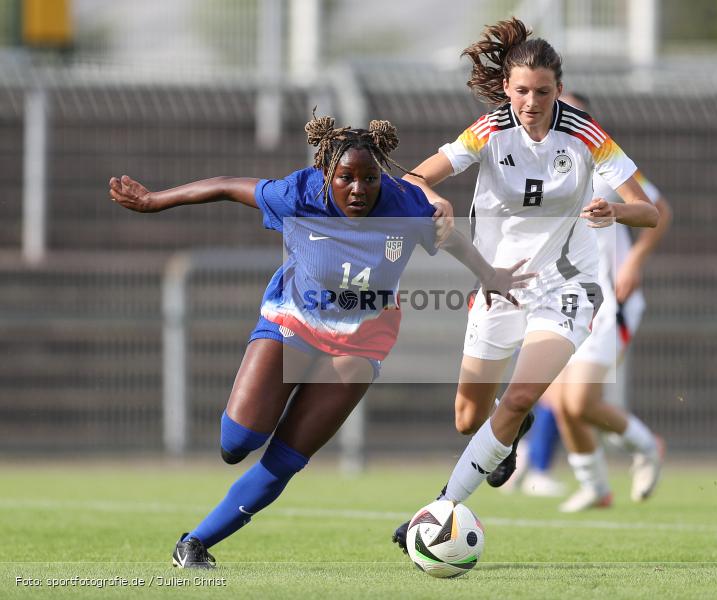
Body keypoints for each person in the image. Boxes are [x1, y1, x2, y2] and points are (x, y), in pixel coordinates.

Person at [109, 114, 533, 569]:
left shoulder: (404, 204)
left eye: (369, 178)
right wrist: (156, 201)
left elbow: (447, 237)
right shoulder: (298, 193)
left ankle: (194, 544)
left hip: (360, 341)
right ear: (326, 175)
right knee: (235, 443)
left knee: (287, 457)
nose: (358, 189)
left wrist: (490, 275)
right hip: (293, 320)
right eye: (345, 178)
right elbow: (227, 185)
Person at [392, 18, 659, 552]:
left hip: (567, 288)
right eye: (521, 91)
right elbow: (414, 179)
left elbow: (650, 212)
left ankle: (441, 508)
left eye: (542, 91)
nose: (531, 102)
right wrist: (433, 199)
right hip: (497, 285)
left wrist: (617, 211)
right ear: (507, 89)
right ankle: (508, 434)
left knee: (514, 398)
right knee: (469, 417)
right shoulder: (489, 130)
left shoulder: (586, 134)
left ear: (559, 89)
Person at [509, 92, 674, 512]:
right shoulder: (537, 171)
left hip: (606, 302)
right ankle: (596, 488)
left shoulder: (603, 163)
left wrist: (633, 259)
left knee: (579, 400)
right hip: (562, 300)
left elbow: (658, 210)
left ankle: (647, 445)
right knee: (561, 401)